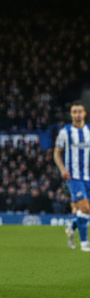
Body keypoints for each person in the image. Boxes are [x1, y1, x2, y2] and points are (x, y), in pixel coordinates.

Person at [53, 101, 90, 251]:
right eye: (74, 112)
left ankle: (72, 225)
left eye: (79, 111)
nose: (77, 114)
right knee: (85, 208)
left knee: (86, 210)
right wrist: (62, 170)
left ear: (84, 114)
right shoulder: (65, 132)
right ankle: (84, 243)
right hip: (73, 177)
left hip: (88, 175)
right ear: (71, 114)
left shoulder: (89, 131)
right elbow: (56, 153)